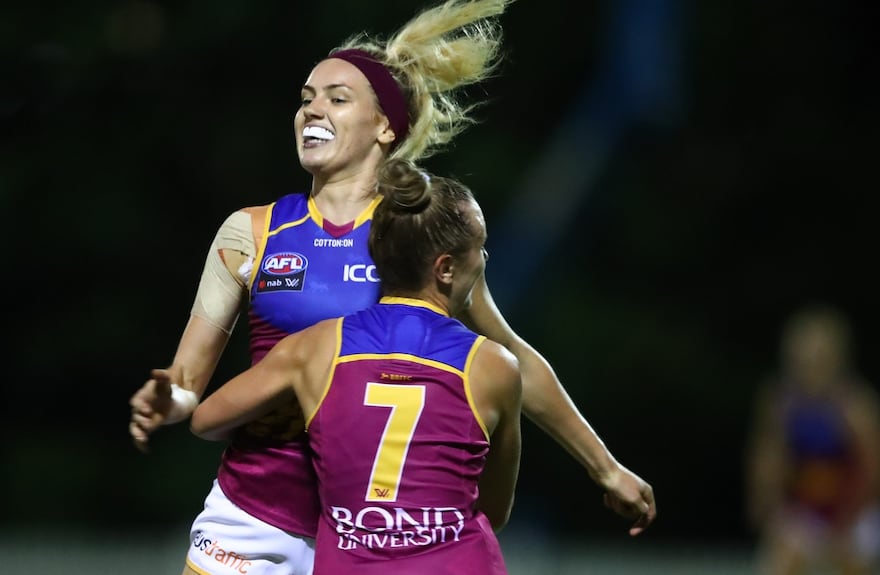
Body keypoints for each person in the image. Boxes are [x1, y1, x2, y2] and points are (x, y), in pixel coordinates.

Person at [129, 1, 656, 574]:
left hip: (378, 537)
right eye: (306, 98)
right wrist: (169, 400)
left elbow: (513, 361)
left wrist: (604, 467)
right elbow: (188, 384)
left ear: (385, 126)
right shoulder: (252, 231)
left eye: (337, 98)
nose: (312, 110)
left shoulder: (417, 236)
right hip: (253, 518)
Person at [190, 158, 521, 574]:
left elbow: (205, 421)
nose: (484, 257)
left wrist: (300, 406)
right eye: (480, 246)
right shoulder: (494, 366)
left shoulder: (316, 348)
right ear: (446, 268)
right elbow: (494, 510)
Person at [745, 304, 880, 575]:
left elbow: (872, 472)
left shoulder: (855, 405)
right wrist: (766, 505)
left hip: (855, 514)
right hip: (806, 512)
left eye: (818, 358)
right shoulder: (782, 404)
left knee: (854, 560)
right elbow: (767, 463)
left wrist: (843, 524)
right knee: (779, 560)